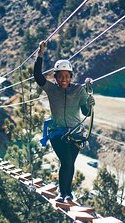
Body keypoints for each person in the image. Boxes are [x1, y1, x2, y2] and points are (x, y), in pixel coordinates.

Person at [34, 41, 95, 203]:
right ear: (55, 77)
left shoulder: (79, 90)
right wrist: (40, 54)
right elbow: (37, 76)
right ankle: (63, 193)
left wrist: (89, 104)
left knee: (70, 164)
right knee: (66, 161)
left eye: (67, 76)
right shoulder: (51, 89)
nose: (63, 79)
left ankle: (68, 193)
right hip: (57, 133)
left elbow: (85, 113)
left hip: (75, 134)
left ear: (71, 77)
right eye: (60, 76)